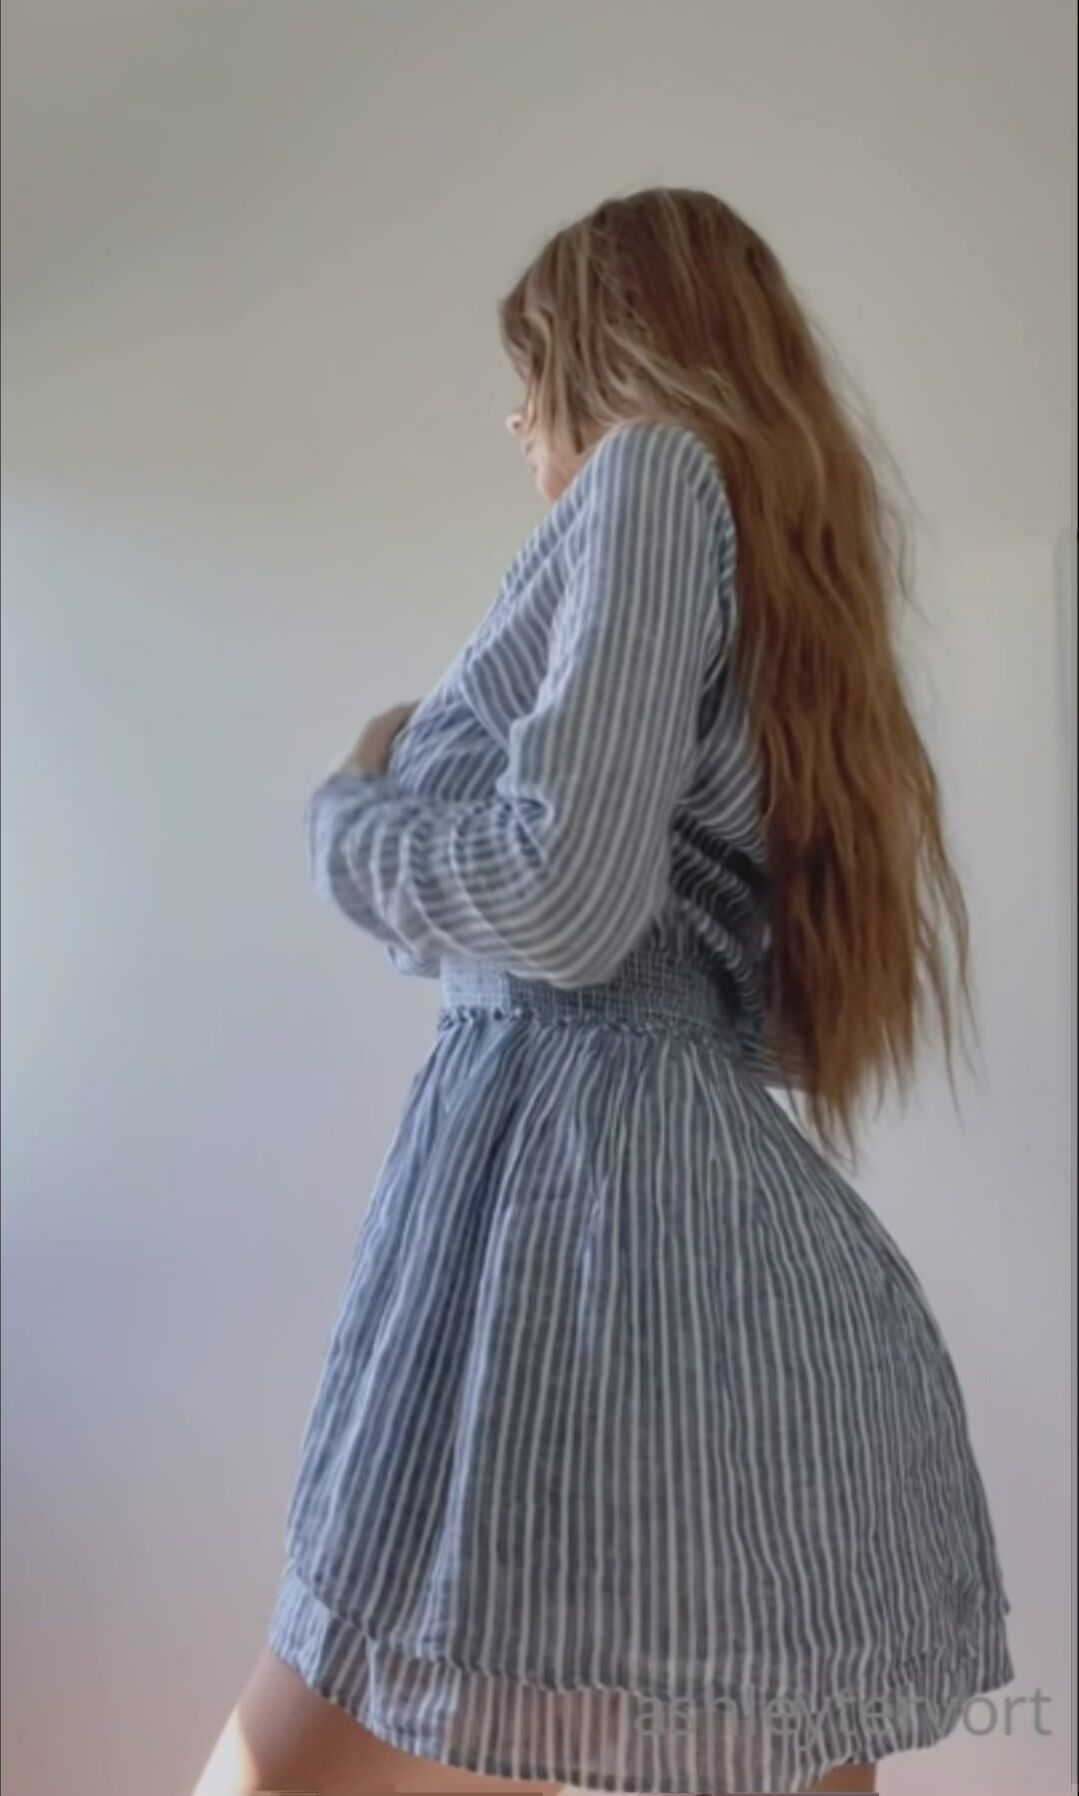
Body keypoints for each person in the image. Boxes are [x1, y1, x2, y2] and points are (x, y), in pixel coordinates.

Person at [192, 187, 1014, 1796]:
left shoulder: (649, 477)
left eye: (535, 373)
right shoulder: (768, 565)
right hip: (703, 1266)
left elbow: (561, 906)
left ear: (614, 352)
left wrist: (352, 805)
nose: (521, 424)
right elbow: (745, 1001)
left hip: (576, 1240)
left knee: (288, 1757)